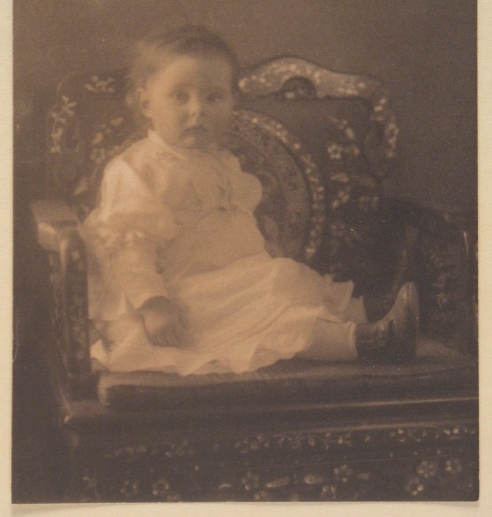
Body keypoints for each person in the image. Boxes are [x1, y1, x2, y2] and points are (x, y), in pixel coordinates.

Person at [80, 25, 419, 376]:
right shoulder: (137, 169)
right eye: (180, 96)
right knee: (278, 297)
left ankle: (367, 312)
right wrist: (153, 303)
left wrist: (259, 248)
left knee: (287, 278)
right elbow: (128, 247)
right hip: (180, 298)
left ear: (231, 103)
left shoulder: (221, 161)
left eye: (213, 98)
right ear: (146, 102)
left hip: (229, 285)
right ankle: (366, 341)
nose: (198, 110)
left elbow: (233, 222)